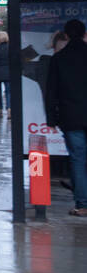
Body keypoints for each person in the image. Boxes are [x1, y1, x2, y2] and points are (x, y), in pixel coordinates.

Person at [45, 19, 87, 217]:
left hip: (71, 117)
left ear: (67, 35)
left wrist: (51, 119)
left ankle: (82, 204)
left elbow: (51, 92)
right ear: (84, 34)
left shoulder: (59, 59)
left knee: (78, 159)